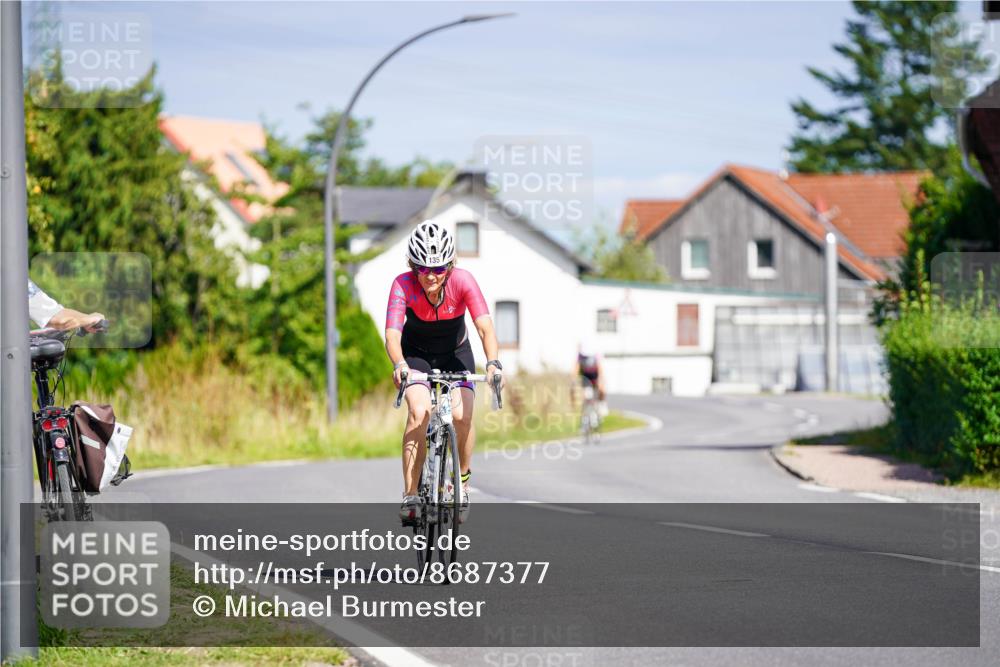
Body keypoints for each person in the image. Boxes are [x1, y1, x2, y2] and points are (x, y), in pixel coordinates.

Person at [385, 221, 503, 526]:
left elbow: (484, 326)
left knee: (463, 416)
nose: (431, 276)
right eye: (423, 268)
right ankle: (411, 495)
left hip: (456, 354)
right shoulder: (403, 284)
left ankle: (462, 483)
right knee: (418, 411)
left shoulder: (463, 281)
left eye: (438, 269)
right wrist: (399, 364)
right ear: (413, 265)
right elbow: (392, 336)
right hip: (416, 357)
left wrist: (492, 362)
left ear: (450, 266)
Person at [28, 279, 105, 332]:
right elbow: (58, 320)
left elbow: (56, 313)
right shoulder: (19, 281)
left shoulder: (20, 279)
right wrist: (91, 319)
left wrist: (88, 319)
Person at [575, 341, 608, 418]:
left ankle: (602, 403)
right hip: (586, 378)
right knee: (585, 396)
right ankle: (585, 417)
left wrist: (601, 380)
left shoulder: (596, 356)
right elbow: (576, 369)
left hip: (595, 377)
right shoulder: (580, 356)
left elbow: (600, 369)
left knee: (602, 389)